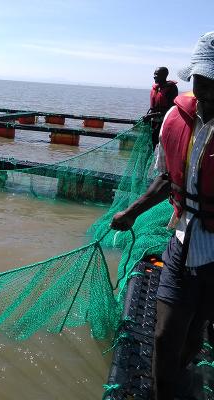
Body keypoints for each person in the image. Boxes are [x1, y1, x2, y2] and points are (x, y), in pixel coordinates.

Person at [111, 31, 214, 400]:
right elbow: (167, 180)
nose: (204, 89)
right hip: (182, 243)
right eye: (200, 78)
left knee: (194, 334)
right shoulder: (176, 116)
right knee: (164, 335)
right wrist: (130, 212)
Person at [144, 67, 178, 148]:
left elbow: (171, 109)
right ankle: (148, 160)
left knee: (162, 145)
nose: (154, 76)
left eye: (156, 74)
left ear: (164, 76)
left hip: (165, 122)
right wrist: (149, 116)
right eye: (154, 74)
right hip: (154, 121)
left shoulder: (171, 88)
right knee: (149, 144)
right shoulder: (156, 88)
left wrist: (151, 116)